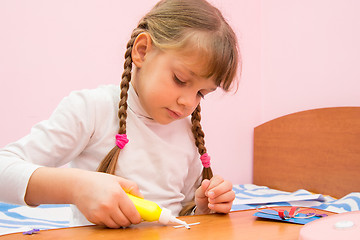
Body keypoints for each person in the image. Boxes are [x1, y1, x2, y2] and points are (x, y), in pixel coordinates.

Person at [0, 0, 240, 228]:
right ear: (143, 51)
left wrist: (203, 207)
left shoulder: (187, 134)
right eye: (180, 80)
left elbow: (180, 214)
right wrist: (77, 187)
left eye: (202, 93)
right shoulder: (92, 109)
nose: (188, 102)